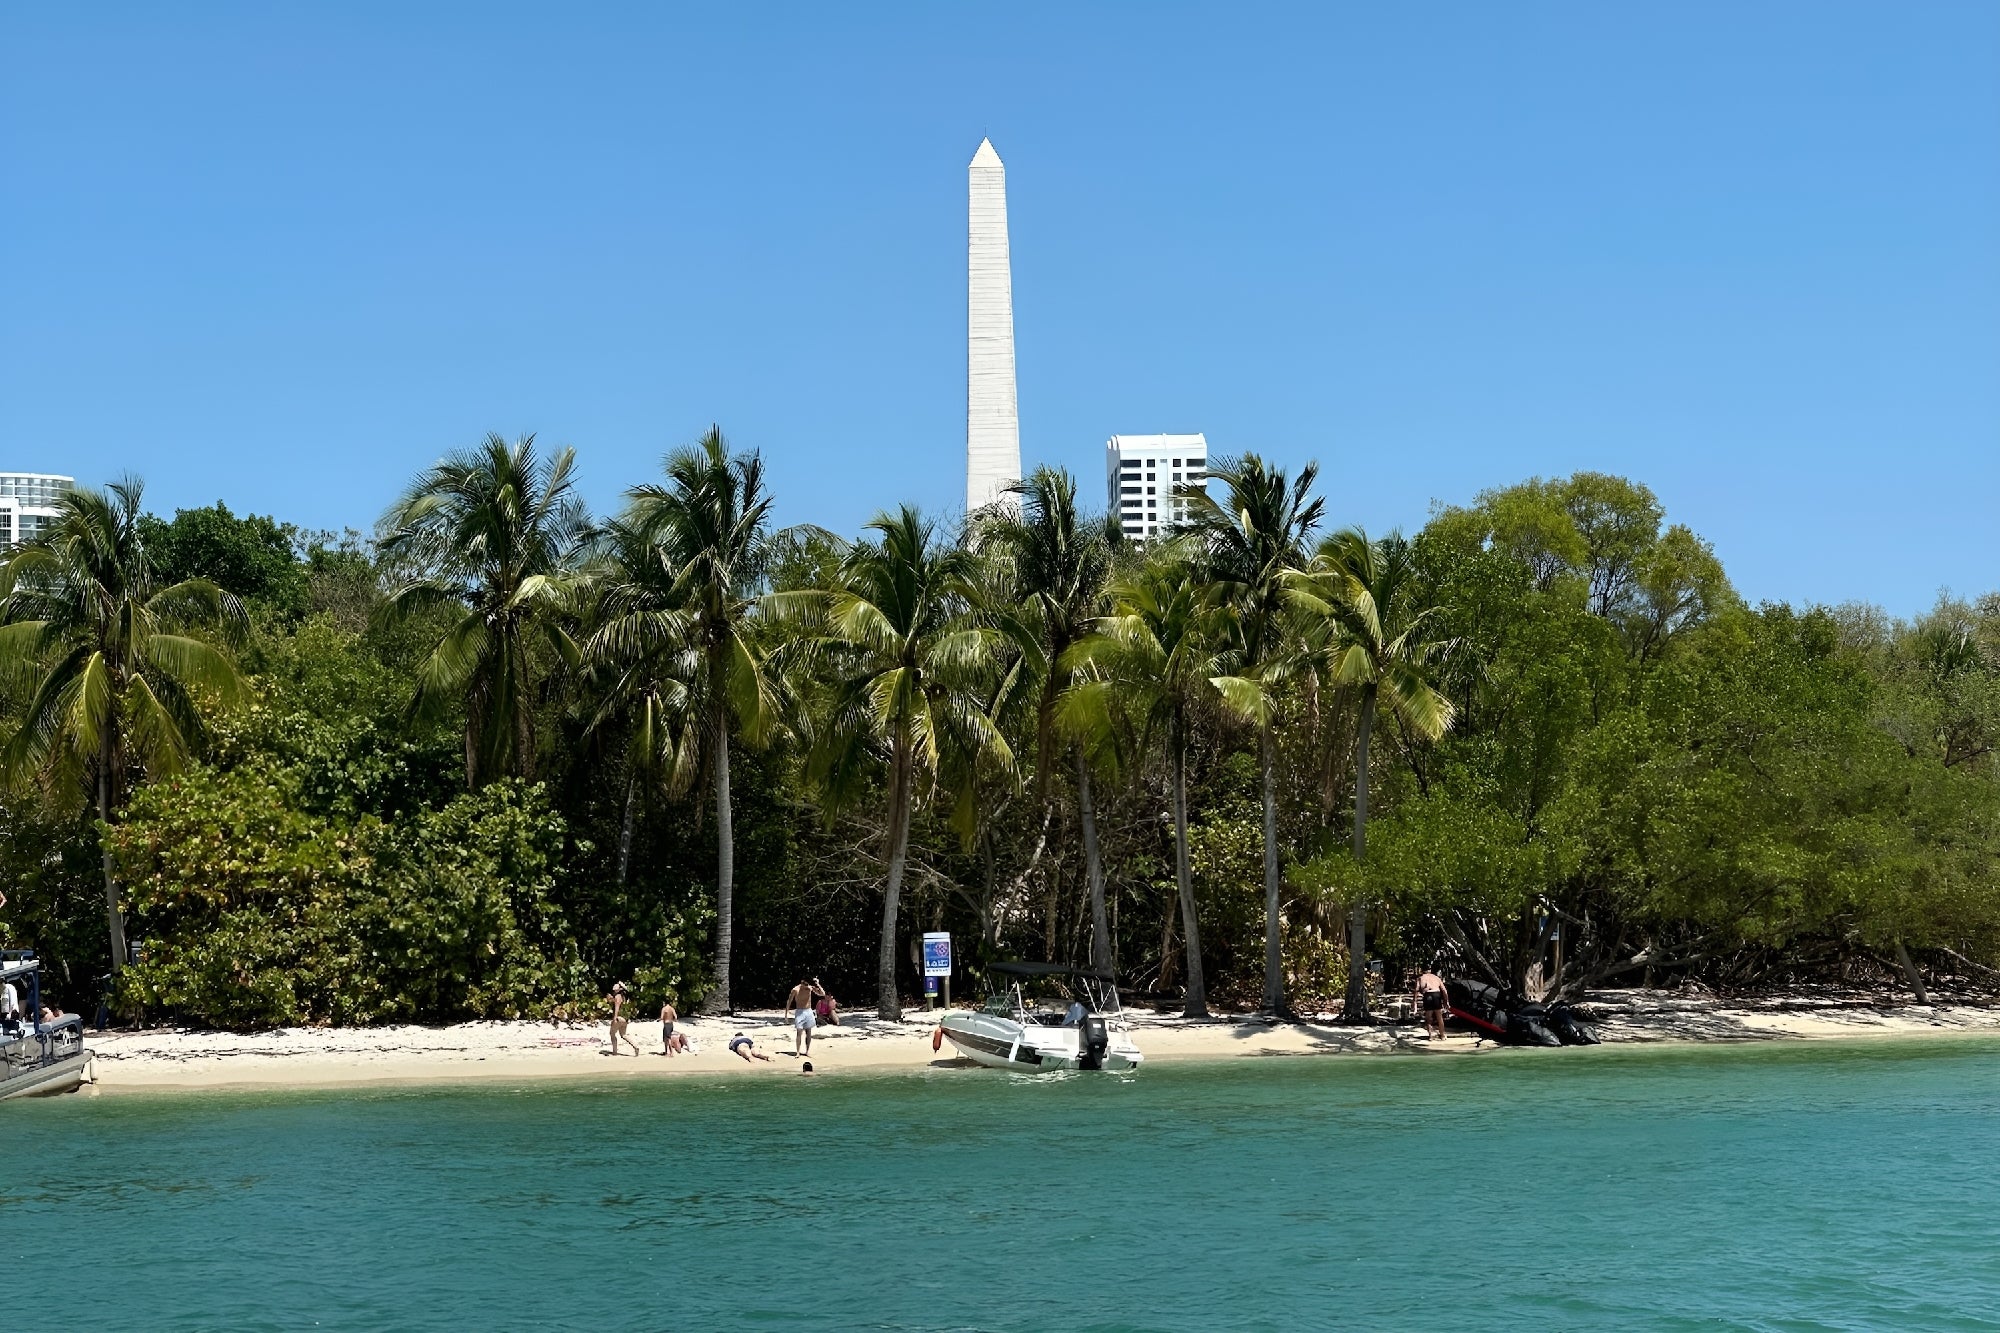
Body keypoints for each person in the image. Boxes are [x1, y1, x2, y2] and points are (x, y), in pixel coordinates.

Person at [787, 977, 826, 1056]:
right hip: (800, 1012)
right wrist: (786, 1015)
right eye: (805, 984)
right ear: (802, 982)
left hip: (808, 1011)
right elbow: (789, 1001)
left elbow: (822, 994)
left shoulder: (810, 988)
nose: (807, 986)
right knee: (799, 1032)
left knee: (808, 1032)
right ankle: (798, 1052)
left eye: (808, 984)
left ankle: (807, 1051)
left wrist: (818, 984)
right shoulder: (795, 989)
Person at [1414, 969, 1449, 1040]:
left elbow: (1416, 990)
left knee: (1428, 1017)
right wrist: (1446, 1001)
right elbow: (1444, 990)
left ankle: (1431, 1036)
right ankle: (1442, 1035)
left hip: (1427, 995)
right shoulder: (1436, 978)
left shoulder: (1420, 978)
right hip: (1436, 994)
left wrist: (1414, 1002)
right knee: (1439, 1017)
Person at [606, 982, 640, 1057]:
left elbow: (617, 1007)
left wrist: (615, 1018)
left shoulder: (618, 996)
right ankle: (635, 1046)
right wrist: (611, 999)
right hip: (625, 1018)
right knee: (623, 1035)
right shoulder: (624, 997)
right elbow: (615, 1002)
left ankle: (614, 1052)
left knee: (612, 1034)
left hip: (619, 1018)